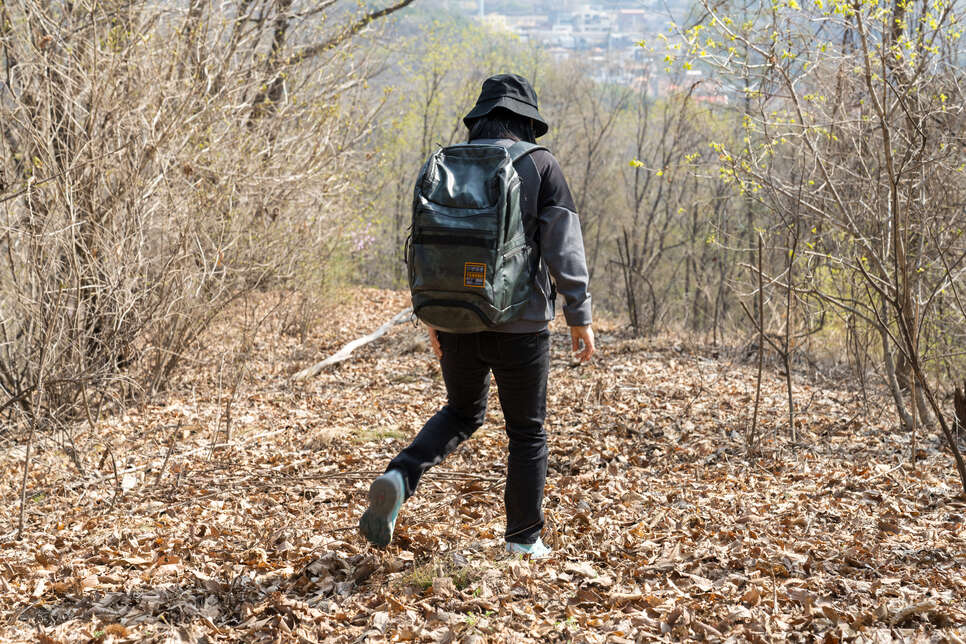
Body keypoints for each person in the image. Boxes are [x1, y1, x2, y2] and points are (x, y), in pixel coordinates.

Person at [359, 73, 594, 558]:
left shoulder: (446, 163)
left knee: (462, 412)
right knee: (526, 431)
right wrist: (579, 312)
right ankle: (524, 540)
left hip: (455, 318)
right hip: (522, 325)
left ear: (480, 119)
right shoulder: (540, 164)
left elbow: (429, 249)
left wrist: (433, 316)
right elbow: (563, 246)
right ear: (527, 121)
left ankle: (399, 476)